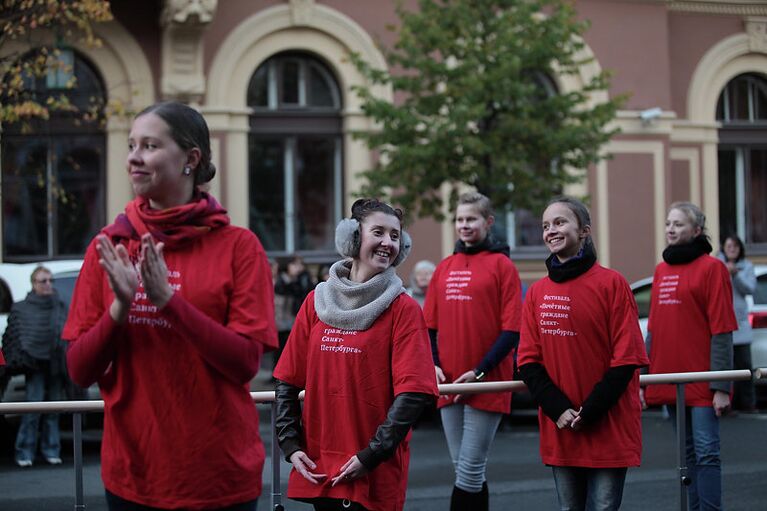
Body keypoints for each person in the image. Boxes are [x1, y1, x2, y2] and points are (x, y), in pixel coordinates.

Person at [63, 101, 278, 510]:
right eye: (131, 145)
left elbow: (245, 363)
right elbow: (78, 370)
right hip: (133, 480)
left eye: (149, 145)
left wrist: (169, 303)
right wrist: (119, 309)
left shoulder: (239, 247)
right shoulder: (110, 246)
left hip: (219, 481)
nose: (133, 157)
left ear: (190, 159)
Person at [273, 198, 438, 511]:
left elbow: (414, 394)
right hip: (321, 471)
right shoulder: (315, 302)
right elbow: (286, 380)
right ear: (351, 238)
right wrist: (290, 445)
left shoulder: (404, 310)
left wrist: (370, 456)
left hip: (371, 473)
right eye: (378, 232)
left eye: (394, 236)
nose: (388, 243)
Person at [517, 197, 649, 510]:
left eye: (560, 222)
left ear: (585, 231)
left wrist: (589, 411)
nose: (551, 231)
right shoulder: (537, 292)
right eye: (546, 225)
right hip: (561, 426)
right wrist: (559, 409)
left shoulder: (612, 284)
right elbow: (527, 361)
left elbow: (627, 357)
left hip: (607, 423)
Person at [423, 192, 522, 511]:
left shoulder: (502, 266)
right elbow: (429, 328)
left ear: (488, 222)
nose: (464, 225)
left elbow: (512, 330)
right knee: (464, 468)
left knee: (468, 469)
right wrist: (434, 365)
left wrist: (480, 370)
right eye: (459, 219)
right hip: (448, 380)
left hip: (486, 380)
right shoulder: (444, 267)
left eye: (471, 219)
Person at [642, 202, 736, 511]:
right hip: (670, 376)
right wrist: (644, 378)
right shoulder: (660, 270)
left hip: (703, 380)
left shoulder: (713, 268)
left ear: (696, 231)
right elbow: (653, 328)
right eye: (668, 223)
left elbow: (722, 328)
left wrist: (721, 386)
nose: (670, 229)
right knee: (687, 456)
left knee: (707, 453)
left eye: (679, 224)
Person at [4, 266, 69, 467]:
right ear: (34, 284)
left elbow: (66, 333)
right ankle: (25, 452)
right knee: (32, 408)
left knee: (54, 410)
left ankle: (51, 450)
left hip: (56, 363)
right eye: (43, 281)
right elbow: (16, 334)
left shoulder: (59, 306)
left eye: (50, 280)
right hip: (34, 365)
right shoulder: (23, 307)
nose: (48, 284)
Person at [718, 234, 758, 412]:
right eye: (728, 246)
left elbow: (749, 289)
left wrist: (736, 275)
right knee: (726, 368)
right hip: (721, 322)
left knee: (745, 366)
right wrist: (726, 271)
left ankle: (748, 403)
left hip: (741, 324)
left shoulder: (747, 267)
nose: (732, 249)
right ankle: (728, 405)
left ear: (740, 249)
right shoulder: (717, 265)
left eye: (735, 246)